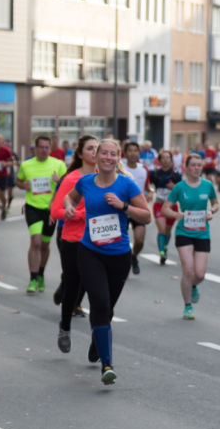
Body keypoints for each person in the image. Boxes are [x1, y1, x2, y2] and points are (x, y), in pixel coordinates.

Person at [62, 138, 150, 384]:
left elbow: (147, 215)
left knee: (107, 309)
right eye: (104, 153)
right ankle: (107, 364)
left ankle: (96, 339)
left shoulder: (127, 185)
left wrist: (123, 206)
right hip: (90, 252)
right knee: (99, 303)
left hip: (119, 256)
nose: (108, 158)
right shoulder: (86, 182)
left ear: (118, 158)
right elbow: (70, 198)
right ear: (97, 157)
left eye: (113, 154)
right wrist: (69, 208)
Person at [51, 136, 97, 354]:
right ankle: (65, 327)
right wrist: (76, 214)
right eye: (90, 149)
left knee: (96, 289)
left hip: (99, 242)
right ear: (80, 154)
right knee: (73, 286)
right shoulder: (72, 179)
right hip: (74, 240)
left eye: (98, 148)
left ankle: (99, 337)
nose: (95, 152)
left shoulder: (106, 178)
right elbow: (56, 211)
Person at [163, 155, 219, 319]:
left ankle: (193, 285)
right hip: (184, 232)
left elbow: (216, 203)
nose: (196, 168)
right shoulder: (179, 187)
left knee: (200, 274)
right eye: (193, 165)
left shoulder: (208, 185)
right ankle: (188, 306)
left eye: (199, 165)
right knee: (188, 270)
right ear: (186, 168)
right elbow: (165, 208)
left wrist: (211, 211)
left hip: (202, 232)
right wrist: (176, 214)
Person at [15, 136, 67, 294]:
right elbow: (18, 181)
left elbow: (68, 185)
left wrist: (59, 181)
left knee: (45, 245)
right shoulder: (26, 165)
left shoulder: (58, 164)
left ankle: (41, 274)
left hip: (51, 210)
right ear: (35, 148)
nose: (44, 150)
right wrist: (23, 185)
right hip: (32, 208)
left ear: (50, 149)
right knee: (36, 242)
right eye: (41, 147)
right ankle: (33, 278)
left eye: (47, 147)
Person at [122, 141, 151, 275]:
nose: (133, 153)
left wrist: (150, 193)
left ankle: (133, 257)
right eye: (130, 150)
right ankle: (123, 261)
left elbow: (147, 187)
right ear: (125, 153)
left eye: (135, 151)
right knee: (122, 240)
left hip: (137, 209)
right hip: (121, 208)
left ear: (139, 153)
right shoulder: (119, 167)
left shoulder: (143, 169)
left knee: (139, 240)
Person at [151, 150, 182, 265]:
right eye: (163, 158)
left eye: (167, 157)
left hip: (172, 206)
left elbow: (181, 190)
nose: (165, 160)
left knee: (168, 230)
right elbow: (149, 187)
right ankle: (162, 253)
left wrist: (173, 186)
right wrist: (149, 192)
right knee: (162, 229)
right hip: (159, 204)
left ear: (171, 159)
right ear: (159, 160)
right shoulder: (154, 174)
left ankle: (165, 246)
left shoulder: (176, 174)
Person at [0, 133, 16, 221]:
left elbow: (12, 163)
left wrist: (5, 164)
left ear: (2, 141)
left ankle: (4, 206)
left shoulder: (6, 150)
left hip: (3, 175)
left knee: (1, 194)